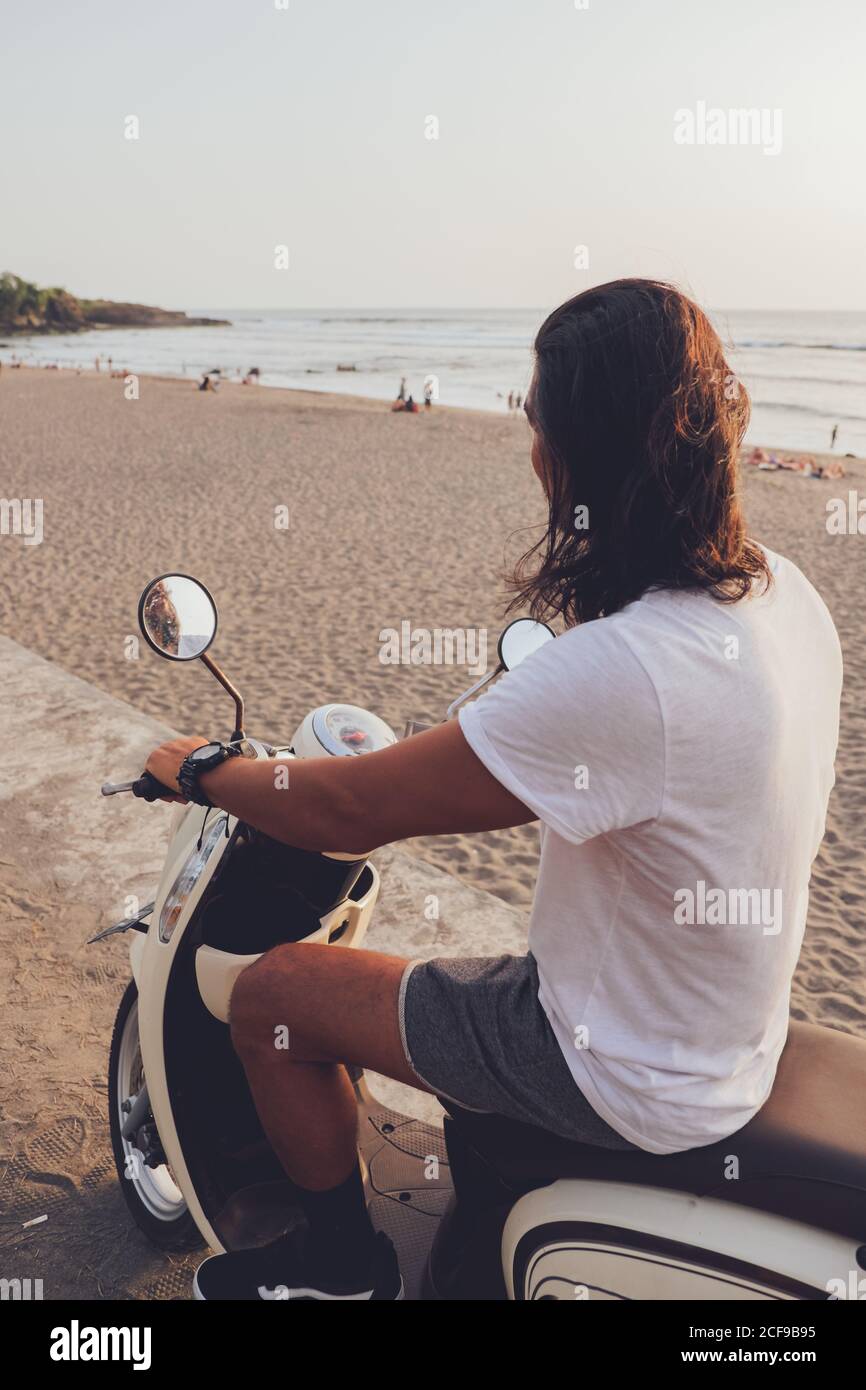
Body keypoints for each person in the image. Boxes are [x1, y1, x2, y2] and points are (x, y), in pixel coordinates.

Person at [145, 279, 842, 1302]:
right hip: (715, 1028)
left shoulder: (628, 670)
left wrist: (203, 769)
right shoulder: (783, 592)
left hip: (616, 1067)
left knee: (275, 999)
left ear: (573, 450)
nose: (529, 443)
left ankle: (339, 1270)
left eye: (533, 416)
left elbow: (341, 809)